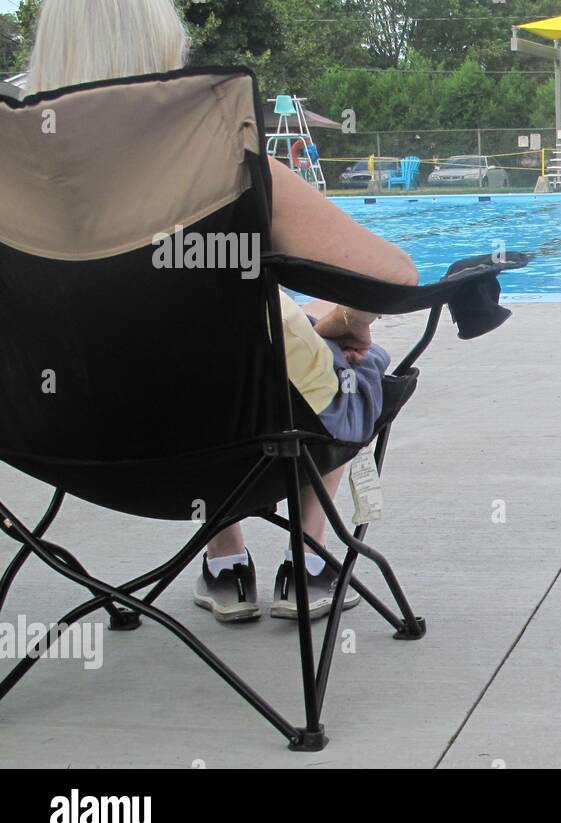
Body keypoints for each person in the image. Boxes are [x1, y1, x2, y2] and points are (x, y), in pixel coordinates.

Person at [23, 0, 420, 623]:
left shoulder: (10, 177)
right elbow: (393, 276)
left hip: (67, 446)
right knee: (356, 371)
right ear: (161, 60)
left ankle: (226, 560)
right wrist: (349, 322)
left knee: (182, 367)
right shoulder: (228, 163)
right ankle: (311, 555)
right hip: (244, 442)